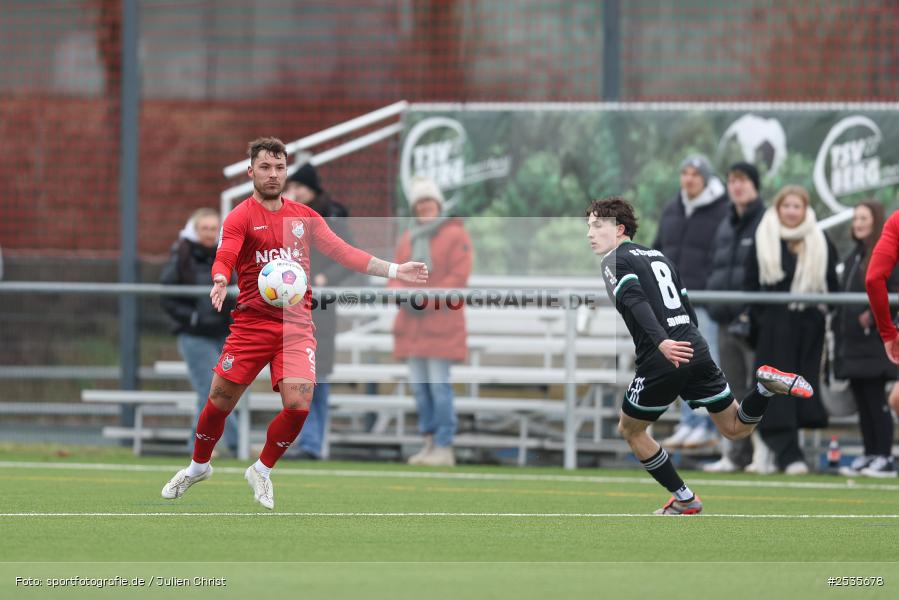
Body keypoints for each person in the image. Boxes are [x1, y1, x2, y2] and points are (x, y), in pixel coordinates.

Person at [161, 137, 428, 509]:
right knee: (219, 402)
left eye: (280, 167)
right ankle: (198, 466)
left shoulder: (304, 217)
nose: (273, 175)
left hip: (296, 326)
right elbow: (225, 254)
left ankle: (262, 470)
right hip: (252, 325)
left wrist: (396, 269)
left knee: (299, 404)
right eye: (266, 168)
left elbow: (345, 253)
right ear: (250, 171)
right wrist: (221, 278)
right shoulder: (240, 217)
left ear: (286, 171)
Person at [588, 196, 812, 515]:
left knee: (630, 430)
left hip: (663, 355)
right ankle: (763, 388)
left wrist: (663, 343)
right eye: (589, 227)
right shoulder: (659, 257)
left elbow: (635, 300)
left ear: (620, 229)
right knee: (736, 428)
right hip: (695, 347)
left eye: (597, 226)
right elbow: (685, 304)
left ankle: (685, 498)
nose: (590, 234)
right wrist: (688, 344)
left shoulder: (612, 261)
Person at [746, 185, 837, 475]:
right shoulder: (763, 238)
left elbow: (830, 287)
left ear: (805, 209)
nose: (792, 211)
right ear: (778, 208)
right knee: (776, 388)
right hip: (773, 329)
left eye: (797, 206)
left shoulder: (821, 240)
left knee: (803, 389)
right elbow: (751, 283)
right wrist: (765, 320)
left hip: (809, 328)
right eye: (787, 206)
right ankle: (784, 453)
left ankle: (787, 451)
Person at [389, 175, 472, 467]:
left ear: (437, 203)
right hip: (412, 326)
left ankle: (444, 446)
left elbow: (457, 280)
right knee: (420, 389)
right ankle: (428, 443)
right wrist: (403, 297)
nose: (424, 206)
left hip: (441, 325)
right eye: (419, 202)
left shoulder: (456, 234)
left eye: (429, 201)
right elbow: (395, 275)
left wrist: (423, 300)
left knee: (438, 386)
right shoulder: (408, 237)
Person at [654, 155, 729, 449]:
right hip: (673, 303)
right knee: (681, 364)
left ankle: (706, 425)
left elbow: (720, 256)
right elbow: (659, 249)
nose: (688, 179)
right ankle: (689, 422)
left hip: (703, 302)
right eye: (684, 173)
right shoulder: (672, 209)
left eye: (695, 174)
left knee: (704, 364)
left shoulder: (722, 209)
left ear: (706, 178)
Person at [282, 162, 354, 460]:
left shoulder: (330, 218)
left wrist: (324, 279)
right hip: (291, 306)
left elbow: (347, 257)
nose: (293, 192)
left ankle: (311, 443)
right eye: (291, 187)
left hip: (318, 309)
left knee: (316, 377)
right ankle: (307, 441)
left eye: (299, 187)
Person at [702, 163, 766, 473]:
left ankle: (762, 456)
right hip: (724, 320)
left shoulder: (766, 220)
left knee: (760, 387)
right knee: (730, 390)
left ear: (755, 185)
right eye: (731, 181)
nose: (736, 186)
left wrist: (752, 310)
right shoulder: (725, 223)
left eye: (742, 180)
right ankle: (736, 455)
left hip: (754, 321)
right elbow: (715, 266)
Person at [160, 208, 239, 456]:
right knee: (213, 389)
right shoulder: (182, 255)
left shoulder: (227, 254)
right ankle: (238, 443)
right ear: (195, 230)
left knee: (220, 390)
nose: (209, 233)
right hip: (195, 335)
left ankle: (197, 445)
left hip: (222, 333)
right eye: (204, 228)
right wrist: (192, 318)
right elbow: (168, 296)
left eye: (213, 229)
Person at [835, 201, 898, 477]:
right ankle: (871, 452)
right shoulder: (854, 256)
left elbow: (879, 282)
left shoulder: (889, 234)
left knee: (882, 400)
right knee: (865, 399)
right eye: (855, 218)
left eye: (864, 218)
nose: (858, 223)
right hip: (855, 342)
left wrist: (881, 325)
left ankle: (884, 455)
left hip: (875, 340)